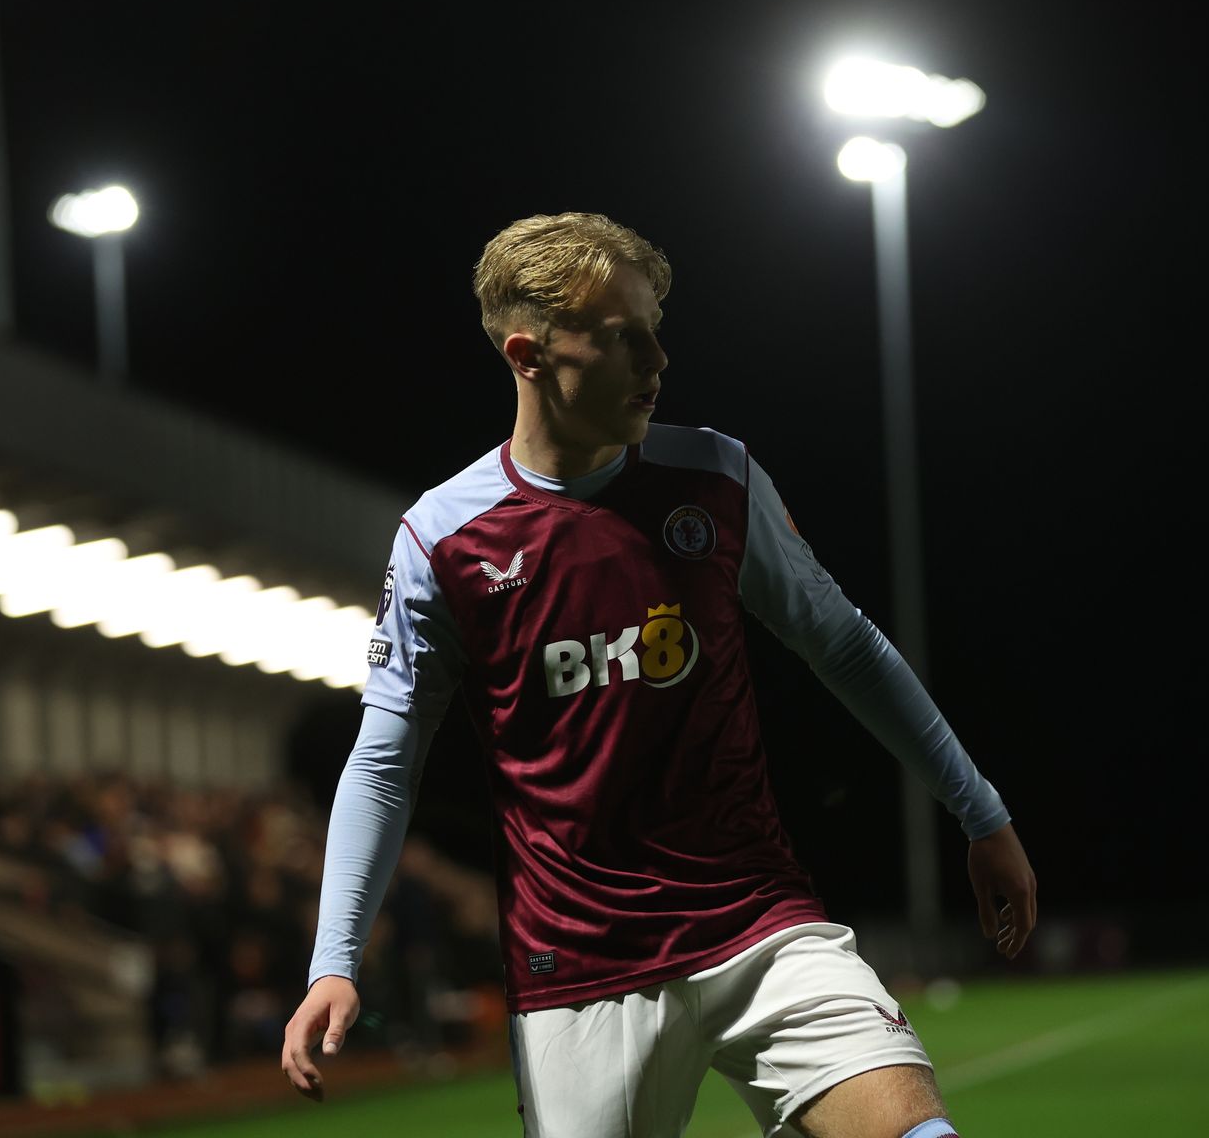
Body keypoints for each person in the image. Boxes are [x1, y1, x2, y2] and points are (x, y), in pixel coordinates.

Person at [282, 213, 1037, 1137]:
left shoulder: (714, 478)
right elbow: (385, 760)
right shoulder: (444, 538)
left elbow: (845, 645)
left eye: (657, 329)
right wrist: (334, 959)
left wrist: (980, 809)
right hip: (581, 971)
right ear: (530, 355)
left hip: (759, 928)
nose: (659, 359)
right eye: (623, 338)